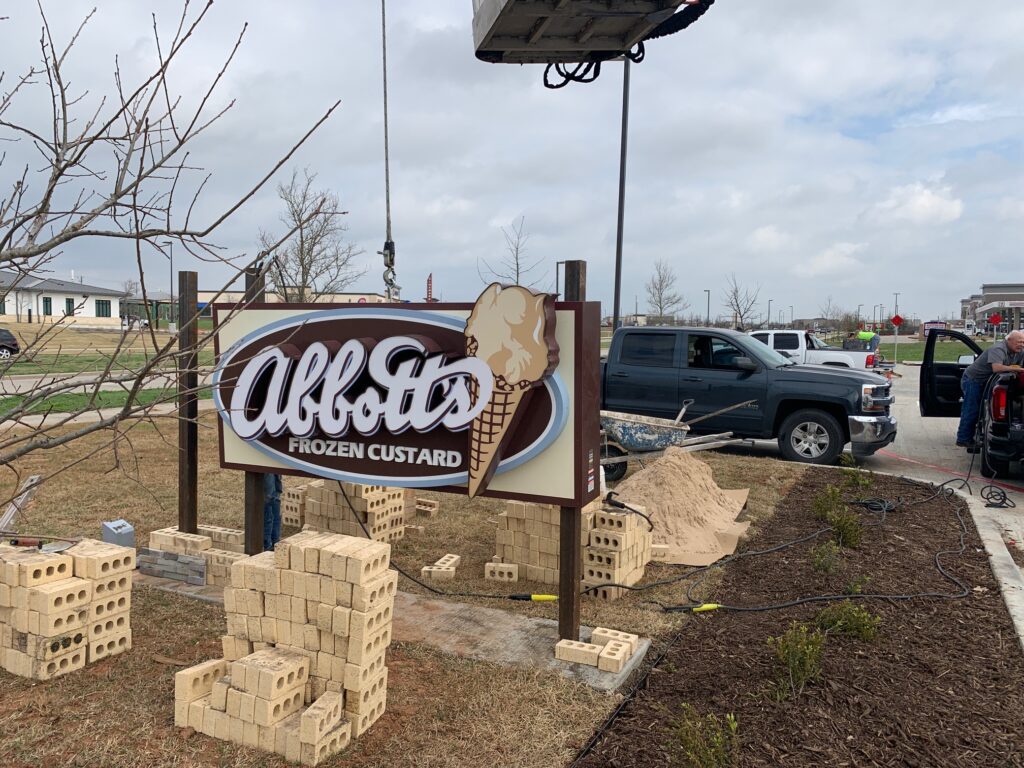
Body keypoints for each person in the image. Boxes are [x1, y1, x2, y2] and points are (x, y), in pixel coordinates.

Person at [956, 330, 1024, 450]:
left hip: (989, 382)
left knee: (987, 410)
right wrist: (1017, 369)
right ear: (1009, 340)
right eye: (1019, 342)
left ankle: (978, 433)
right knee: (972, 409)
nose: (1021, 345)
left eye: (1023, 342)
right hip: (973, 380)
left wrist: (1017, 369)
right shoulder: (998, 349)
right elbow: (996, 368)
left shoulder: (1019, 352)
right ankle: (963, 439)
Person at [263, 473, 283, 551]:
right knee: (268, 499)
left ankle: (276, 542)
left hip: (276, 464)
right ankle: (267, 545)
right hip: (266, 466)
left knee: (275, 498)